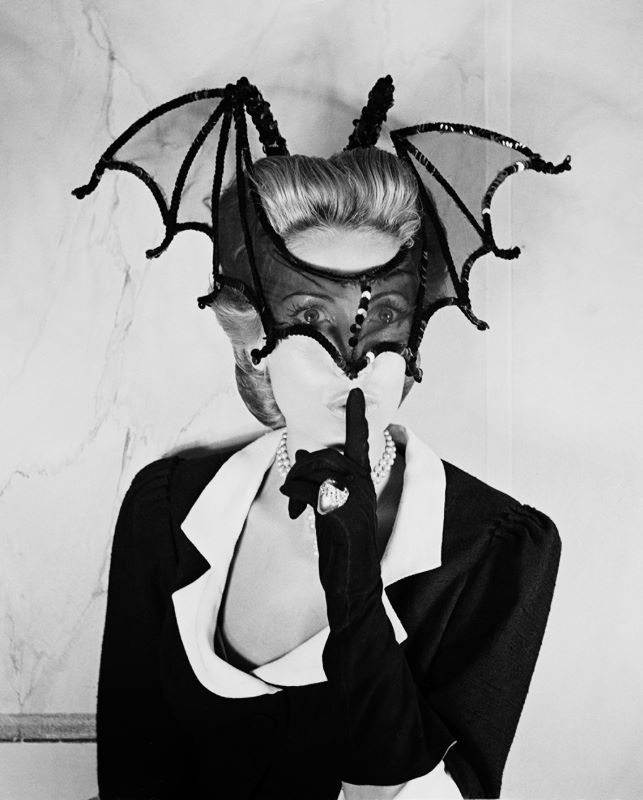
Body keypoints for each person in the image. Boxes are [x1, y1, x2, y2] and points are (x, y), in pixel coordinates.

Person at [76, 78, 565, 800]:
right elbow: (132, 776)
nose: (355, 364)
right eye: (310, 319)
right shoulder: (168, 508)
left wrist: (355, 592)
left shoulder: (494, 551)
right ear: (256, 343)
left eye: (385, 317)